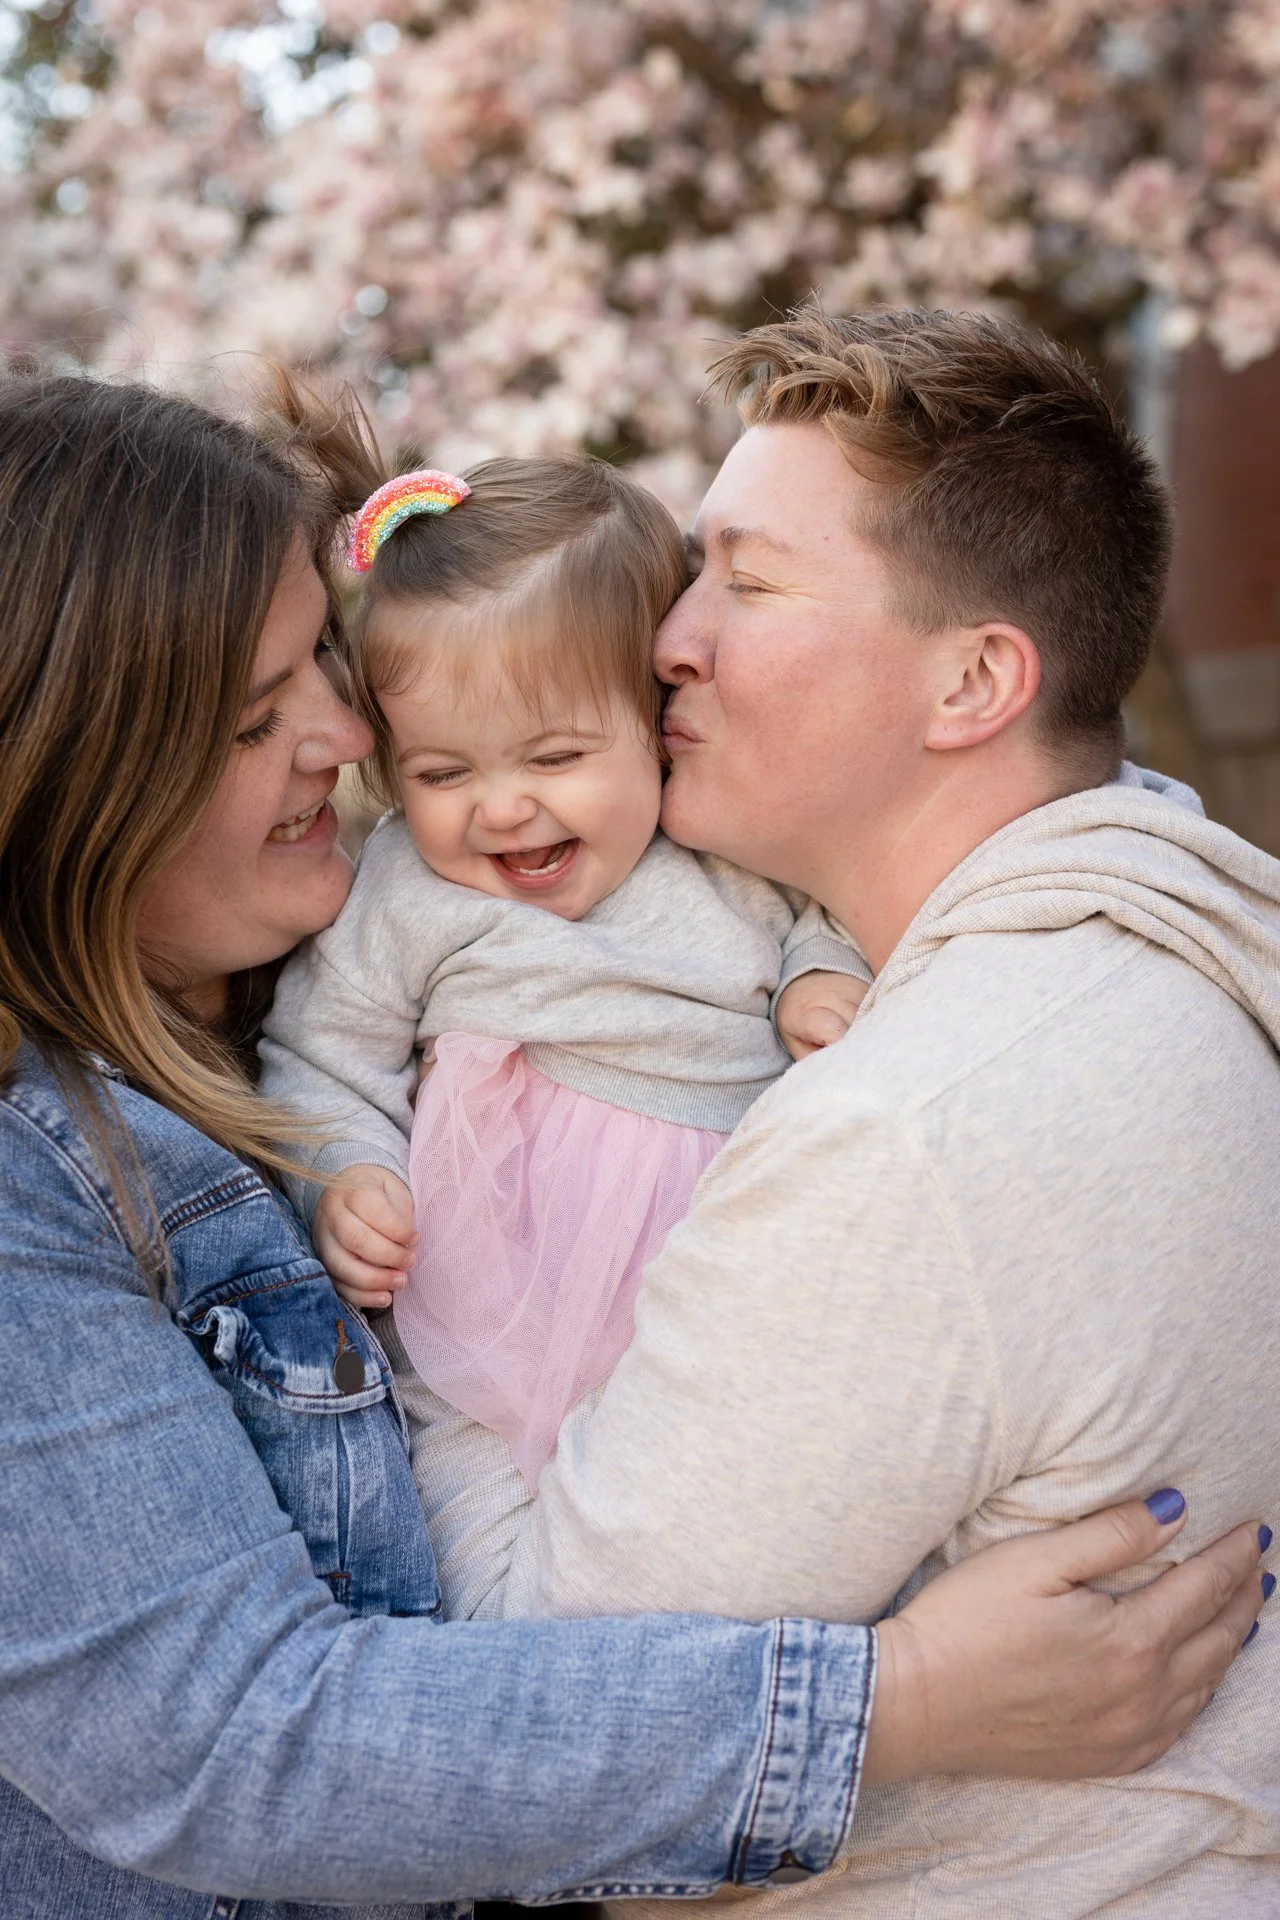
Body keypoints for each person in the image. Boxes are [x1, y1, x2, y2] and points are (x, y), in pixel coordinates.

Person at [402, 310, 1280, 1916]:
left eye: (750, 577)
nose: (671, 634)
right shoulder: (1180, 955)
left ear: (973, 681)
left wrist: (458, 1281)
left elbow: (532, 1710)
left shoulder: (910, 1130)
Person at [259, 452, 868, 1485]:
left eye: (553, 759)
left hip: (726, 1256)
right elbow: (321, 1051)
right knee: (491, 1477)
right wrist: (346, 1172)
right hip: (496, 1294)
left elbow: (825, 903)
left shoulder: (717, 849)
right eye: (441, 772)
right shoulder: (408, 888)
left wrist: (818, 975)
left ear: (656, 725)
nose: (498, 807)